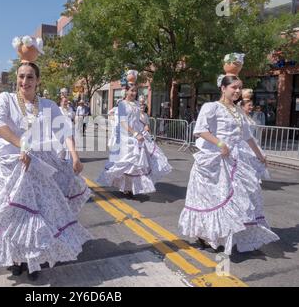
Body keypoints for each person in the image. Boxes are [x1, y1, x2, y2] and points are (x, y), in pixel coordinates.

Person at [0, 36, 91, 281]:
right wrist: (24, 144)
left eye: (30, 77)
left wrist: (75, 157)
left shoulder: (49, 105)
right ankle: (16, 259)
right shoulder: (6, 99)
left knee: (38, 215)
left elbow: (65, 132)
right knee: (12, 215)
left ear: (38, 81)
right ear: (16, 79)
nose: (25, 81)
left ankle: (34, 261)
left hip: (40, 167)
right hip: (13, 167)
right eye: (21, 76)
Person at [178, 75, 279, 255]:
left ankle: (224, 235)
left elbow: (247, 136)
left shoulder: (238, 110)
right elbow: (200, 130)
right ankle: (206, 234)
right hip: (216, 160)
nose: (238, 91)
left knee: (240, 198)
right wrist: (220, 144)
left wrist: (260, 155)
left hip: (236, 161)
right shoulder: (212, 107)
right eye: (234, 87)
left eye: (240, 88)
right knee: (216, 200)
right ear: (223, 88)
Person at [98, 82, 172, 197]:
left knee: (135, 165)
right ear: (126, 91)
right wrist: (135, 133)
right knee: (126, 163)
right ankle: (124, 187)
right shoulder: (122, 104)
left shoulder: (137, 104)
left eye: (135, 91)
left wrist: (143, 130)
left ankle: (129, 188)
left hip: (137, 135)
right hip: (126, 137)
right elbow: (123, 122)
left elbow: (138, 120)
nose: (133, 93)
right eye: (131, 90)